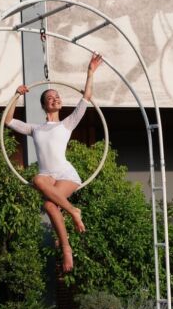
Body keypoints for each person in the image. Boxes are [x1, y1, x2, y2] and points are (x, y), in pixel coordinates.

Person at [6, 52, 103, 272]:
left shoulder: (67, 124)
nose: (55, 98)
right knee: (40, 183)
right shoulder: (36, 128)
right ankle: (72, 217)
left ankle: (67, 245)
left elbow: (86, 97)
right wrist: (16, 96)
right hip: (47, 175)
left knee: (49, 204)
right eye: (50, 97)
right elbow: (8, 120)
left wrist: (90, 72)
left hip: (65, 174)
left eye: (57, 96)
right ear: (44, 105)